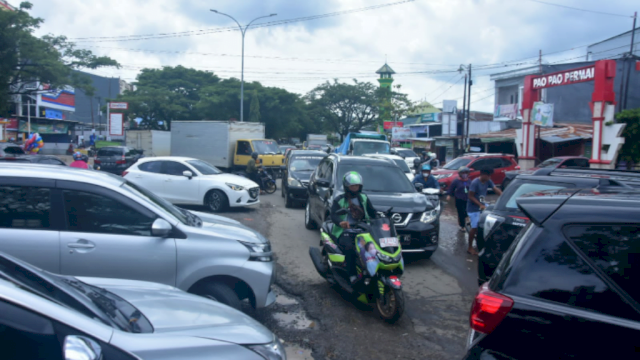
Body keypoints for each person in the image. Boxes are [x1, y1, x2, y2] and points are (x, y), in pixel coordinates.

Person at [330, 171, 377, 283]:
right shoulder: (339, 199)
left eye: (357, 185)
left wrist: (381, 218)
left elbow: (372, 212)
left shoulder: (364, 198)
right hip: (345, 231)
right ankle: (352, 275)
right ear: (347, 186)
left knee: (375, 248)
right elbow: (333, 215)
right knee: (350, 248)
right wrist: (341, 222)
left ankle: (373, 271)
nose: (355, 188)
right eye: (352, 186)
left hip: (363, 229)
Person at [466, 168, 502, 255]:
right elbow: (470, 196)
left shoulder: (488, 181)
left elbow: (495, 189)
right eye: (488, 175)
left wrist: (503, 196)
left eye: (490, 176)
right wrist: (480, 205)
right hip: (473, 208)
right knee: (474, 228)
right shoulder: (475, 183)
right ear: (482, 174)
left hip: (483, 205)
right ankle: (470, 247)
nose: (489, 177)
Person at [447, 166, 471, 232]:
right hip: (459, 199)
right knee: (461, 213)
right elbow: (451, 189)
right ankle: (462, 226)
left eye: (466, 173)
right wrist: (449, 195)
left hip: (468, 199)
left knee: (467, 212)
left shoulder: (469, 181)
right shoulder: (456, 181)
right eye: (463, 173)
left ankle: (466, 221)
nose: (465, 174)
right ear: (460, 173)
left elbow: (473, 190)